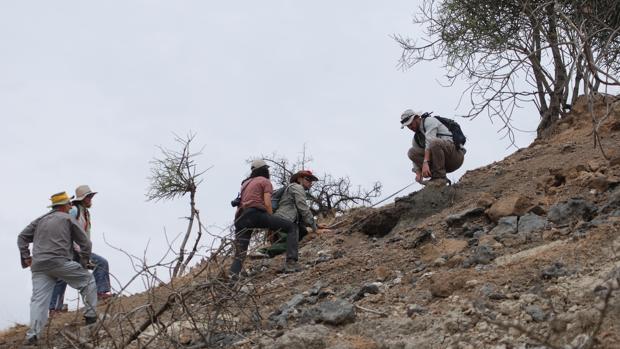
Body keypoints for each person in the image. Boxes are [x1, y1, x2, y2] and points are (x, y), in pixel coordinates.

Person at [17, 192, 98, 346]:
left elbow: (22, 236)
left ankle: (32, 336)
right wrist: (84, 261)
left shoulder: (40, 220)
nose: (70, 206)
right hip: (59, 261)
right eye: (69, 204)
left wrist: (27, 257)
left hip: (39, 266)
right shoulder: (68, 218)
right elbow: (85, 243)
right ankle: (91, 318)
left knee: (38, 301)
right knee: (88, 280)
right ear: (64, 206)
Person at [230, 159, 299, 279]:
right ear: (264, 170)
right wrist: (271, 221)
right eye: (267, 169)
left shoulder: (245, 184)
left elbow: (239, 204)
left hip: (240, 218)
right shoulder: (265, 181)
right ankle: (291, 263)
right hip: (255, 214)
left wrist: (237, 223)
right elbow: (267, 203)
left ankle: (233, 278)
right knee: (292, 227)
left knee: (240, 251)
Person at [49, 185, 112, 315]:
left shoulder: (85, 213)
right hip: (70, 250)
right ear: (82, 199)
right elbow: (64, 226)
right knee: (62, 277)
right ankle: (55, 309)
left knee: (101, 263)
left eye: (91, 196)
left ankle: (100, 293)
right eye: (88, 196)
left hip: (81, 251)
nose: (90, 199)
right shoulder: (74, 210)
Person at [257, 170, 319, 257]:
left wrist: (316, 225)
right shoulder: (297, 187)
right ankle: (263, 251)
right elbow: (303, 208)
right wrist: (315, 228)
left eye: (311, 181)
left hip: (285, 220)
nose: (310, 182)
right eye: (308, 179)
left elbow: (301, 214)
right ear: (299, 179)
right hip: (283, 220)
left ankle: (272, 251)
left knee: (302, 233)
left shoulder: (293, 189)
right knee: (291, 242)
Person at [400, 109, 465, 186]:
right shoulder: (416, 139)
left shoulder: (429, 121)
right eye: (408, 126)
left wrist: (425, 162)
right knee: (411, 152)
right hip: (441, 163)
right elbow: (414, 160)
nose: (410, 127)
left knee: (434, 143)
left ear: (417, 117)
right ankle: (436, 177)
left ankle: (439, 178)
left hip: (455, 157)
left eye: (411, 124)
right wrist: (418, 173)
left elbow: (430, 141)